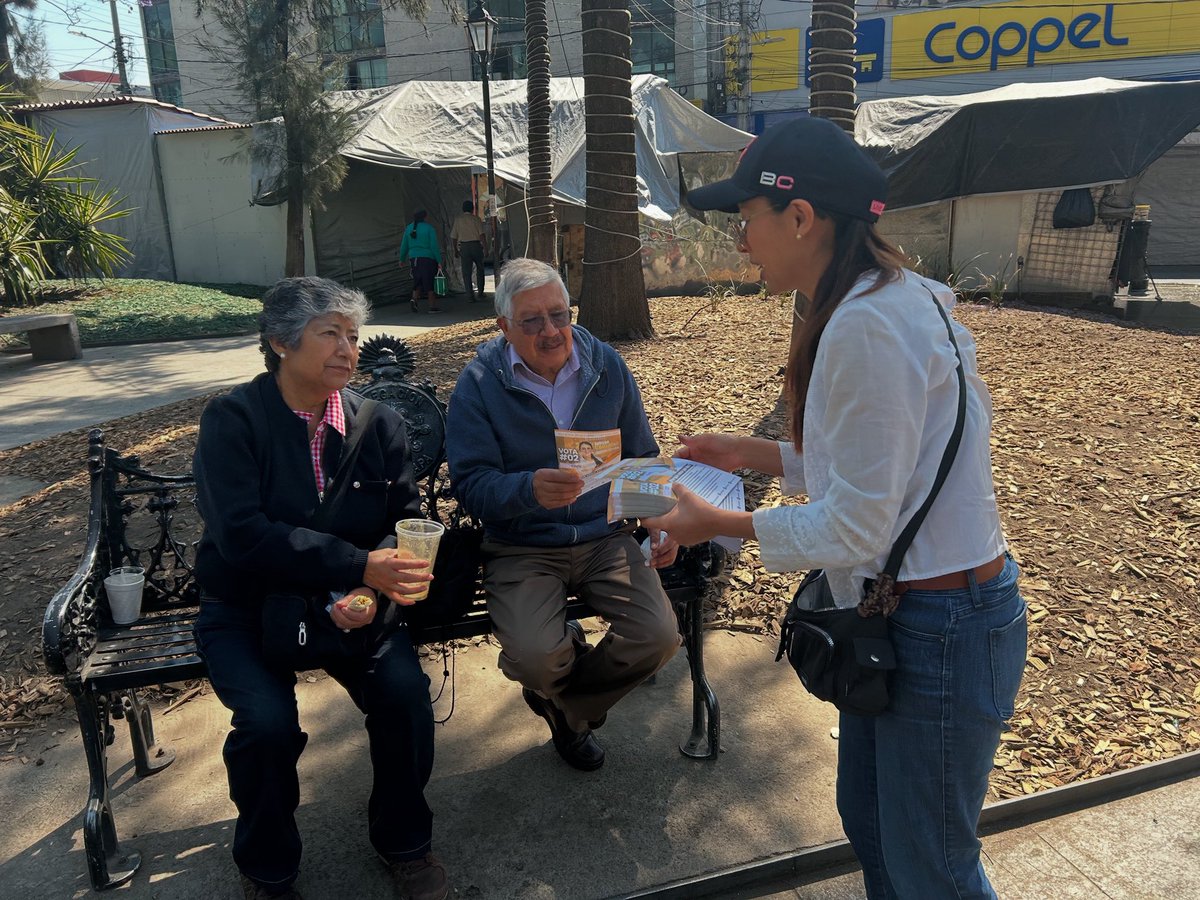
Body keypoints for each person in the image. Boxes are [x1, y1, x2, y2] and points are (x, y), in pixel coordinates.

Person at [645, 117, 1027, 899]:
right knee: (876, 826)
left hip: (937, 626)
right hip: (914, 613)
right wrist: (749, 453)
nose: (741, 240)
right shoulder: (901, 296)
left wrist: (713, 524)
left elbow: (857, 523)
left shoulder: (863, 324)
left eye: (746, 218)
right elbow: (880, 472)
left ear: (800, 217)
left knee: (933, 869)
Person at [192, 277, 450, 900]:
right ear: (280, 341)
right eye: (329, 333)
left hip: (353, 604)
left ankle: (405, 843)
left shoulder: (377, 423)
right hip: (247, 606)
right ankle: (269, 866)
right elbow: (242, 535)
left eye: (353, 335)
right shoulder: (234, 421)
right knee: (267, 726)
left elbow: (403, 519)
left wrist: (377, 587)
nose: (347, 347)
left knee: (405, 698)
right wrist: (360, 565)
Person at [445, 257, 682, 771]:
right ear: (504, 327)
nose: (551, 331)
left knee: (659, 637)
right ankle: (563, 678)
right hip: (522, 544)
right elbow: (470, 485)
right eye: (531, 321)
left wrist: (657, 521)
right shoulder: (479, 383)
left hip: (604, 537)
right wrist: (527, 490)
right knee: (535, 656)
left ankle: (569, 712)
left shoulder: (606, 366)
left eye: (560, 314)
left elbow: (640, 454)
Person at [399, 209, 443, 314]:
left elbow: (404, 245)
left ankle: (414, 299)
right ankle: (432, 306)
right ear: (425, 217)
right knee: (429, 281)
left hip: (414, 258)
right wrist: (439, 260)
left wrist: (401, 259)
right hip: (428, 258)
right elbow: (433, 246)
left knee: (417, 280)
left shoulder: (409, 228)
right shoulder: (429, 228)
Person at [450, 199, 489, 303]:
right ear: (472, 209)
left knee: (466, 272)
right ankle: (480, 293)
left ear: (463, 209)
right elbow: (482, 235)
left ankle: (470, 296)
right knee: (480, 269)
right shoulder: (476, 219)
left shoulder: (458, 220)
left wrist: (455, 250)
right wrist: (485, 248)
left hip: (464, 247)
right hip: (476, 245)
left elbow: (453, 237)